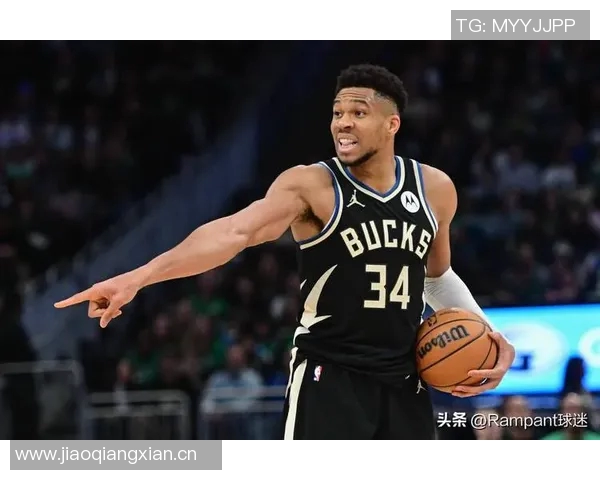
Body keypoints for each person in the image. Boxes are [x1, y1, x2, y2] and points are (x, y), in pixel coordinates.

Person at [54, 64, 516, 440]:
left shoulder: (435, 188)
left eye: (358, 112)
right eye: (337, 112)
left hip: (405, 377)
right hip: (330, 375)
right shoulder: (310, 185)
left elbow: (436, 277)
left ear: (391, 123)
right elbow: (233, 232)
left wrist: (490, 336)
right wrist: (138, 277)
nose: (343, 123)